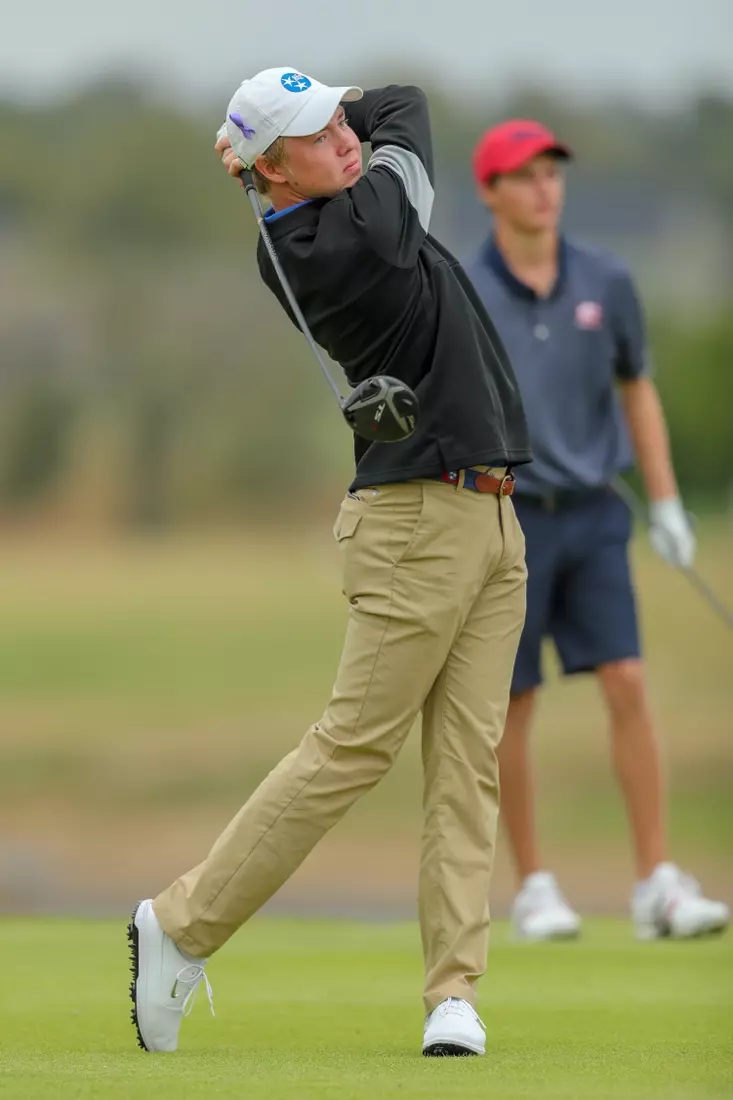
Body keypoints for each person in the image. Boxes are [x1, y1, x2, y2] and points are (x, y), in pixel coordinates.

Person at [127, 68, 531, 1057]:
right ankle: (178, 925)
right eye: (314, 137)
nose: (345, 139)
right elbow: (410, 107)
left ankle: (452, 994)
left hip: (488, 514)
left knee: (466, 767)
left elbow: (384, 103)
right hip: (413, 524)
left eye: (335, 123)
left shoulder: (335, 203)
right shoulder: (344, 237)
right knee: (352, 746)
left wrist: (313, 113)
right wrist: (325, 122)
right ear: (273, 171)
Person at [463, 119, 730, 943]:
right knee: (514, 702)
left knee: (625, 681)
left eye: (552, 172)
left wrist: (669, 503)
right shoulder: (465, 287)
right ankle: (535, 886)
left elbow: (635, 388)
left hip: (594, 516)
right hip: (505, 524)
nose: (544, 187)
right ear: (491, 193)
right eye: (524, 175)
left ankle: (656, 881)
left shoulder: (605, 280)